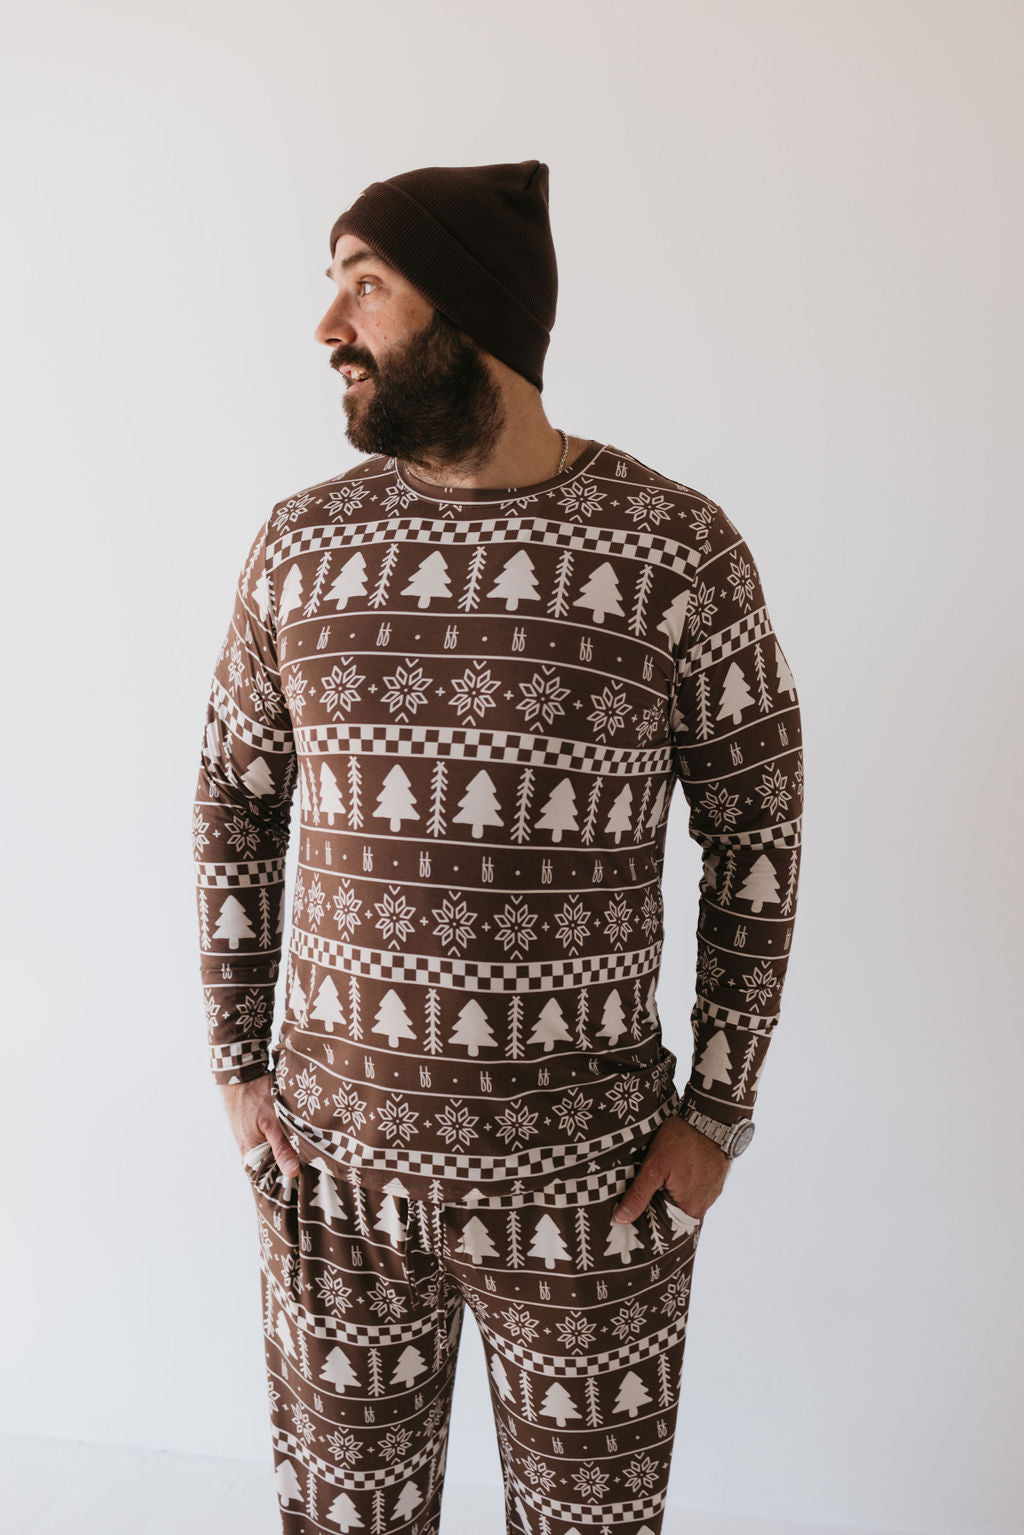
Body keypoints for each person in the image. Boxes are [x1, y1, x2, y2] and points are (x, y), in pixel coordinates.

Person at [191, 159, 804, 1535]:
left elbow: (759, 819)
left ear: (470, 312)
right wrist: (240, 1071)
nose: (327, 326)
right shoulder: (301, 549)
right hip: (334, 1177)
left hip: (594, 1188)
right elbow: (236, 799)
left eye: (366, 284)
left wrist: (716, 1110)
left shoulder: (675, 551)